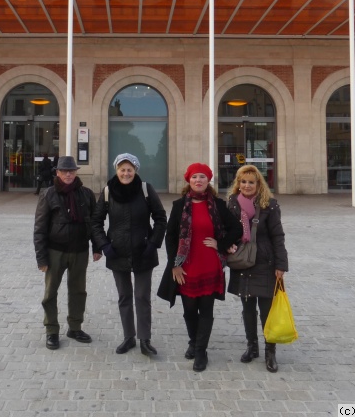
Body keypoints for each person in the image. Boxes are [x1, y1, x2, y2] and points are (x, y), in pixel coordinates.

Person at [156, 162, 242, 372]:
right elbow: (171, 238)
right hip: (186, 266)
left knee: (206, 309)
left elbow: (237, 228)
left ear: (208, 180)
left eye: (202, 177)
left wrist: (220, 244)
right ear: (189, 180)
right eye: (195, 177)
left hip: (210, 265)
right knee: (189, 309)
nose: (198, 180)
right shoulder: (179, 205)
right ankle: (193, 342)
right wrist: (175, 265)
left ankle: (201, 350)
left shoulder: (218, 205)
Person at [91, 153, 167, 357]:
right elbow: (96, 221)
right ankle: (128, 337)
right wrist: (104, 245)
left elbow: (160, 218)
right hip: (117, 252)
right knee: (124, 296)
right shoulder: (108, 192)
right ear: (116, 170)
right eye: (122, 169)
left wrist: (153, 243)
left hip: (143, 251)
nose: (126, 173)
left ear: (135, 171)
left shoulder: (145, 189)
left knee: (142, 296)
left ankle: (145, 339)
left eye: (129, 169)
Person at [33, 155, 100, 350]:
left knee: (78, 291)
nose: (68, 174)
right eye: (65, 171)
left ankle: (75, 326)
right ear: (58, 172)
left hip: (80, 251)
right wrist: (41, 258)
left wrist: (97, 247)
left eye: (72, 171)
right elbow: (39, 229)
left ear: (76, 172)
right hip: (56, 251)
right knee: (50, 292)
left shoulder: (86, 194)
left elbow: (95, 224)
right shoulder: (48, 194)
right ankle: (51, 330)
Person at [227, 165, 288, 372]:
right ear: (238, 183)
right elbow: (227, 230)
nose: (246, 185)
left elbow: (278, 236)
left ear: (258, 184)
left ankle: (270, 352)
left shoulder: (269, 205)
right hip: (243, 262)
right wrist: (228, 244)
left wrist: (281, 264)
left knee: (266, 310)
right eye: (243, 182)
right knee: (247, 308)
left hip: (264, 262)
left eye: (251, 182)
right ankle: (252, 346)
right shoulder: (233, 204)